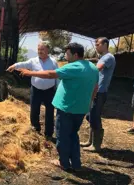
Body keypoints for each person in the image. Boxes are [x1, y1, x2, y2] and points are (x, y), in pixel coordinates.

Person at [17, 43, 99, 171]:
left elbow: (50, 74)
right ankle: (76, 164)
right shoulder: (93, 68)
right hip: (81, 108)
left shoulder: (73, 67)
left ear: (75, 54)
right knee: (73, 135)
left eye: (67, 53)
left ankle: (64, 163)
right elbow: (95, 87)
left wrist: (29, 73)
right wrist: (89, 102)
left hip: (67, 108)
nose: (65, 56)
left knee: (62, 136)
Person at [6, 42, 59, 139]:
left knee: (50, 112)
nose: (40, 51)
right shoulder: (33, 60)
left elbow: (57, 77)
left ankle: (49, 134)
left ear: (47, 50)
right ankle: (35, 129)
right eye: (39, 49)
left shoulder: (53, 62)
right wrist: (14, 66)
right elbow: (24, 64)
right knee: (34, 110)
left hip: (49, 90)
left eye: (42, 49)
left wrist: (58, 89)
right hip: (36, 90)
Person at [81, 37, 116, 152]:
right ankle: (90, 141)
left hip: (100, 92)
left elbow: (97, 69)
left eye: (98, 44)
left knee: (94, 116)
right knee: (91, 115)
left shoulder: (109, 57)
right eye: (95, 44)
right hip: (95, 90)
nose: (96, 46)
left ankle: (96, 145)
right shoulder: (102, 57)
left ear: (105, 44)